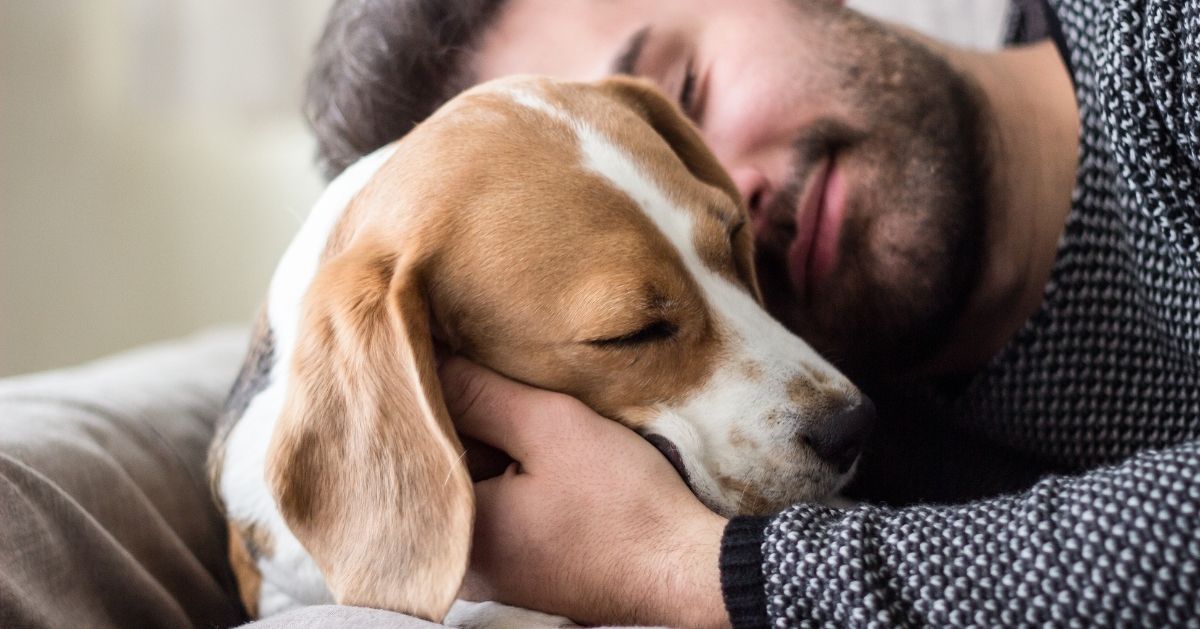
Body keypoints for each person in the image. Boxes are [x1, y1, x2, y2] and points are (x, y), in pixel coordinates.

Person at [304, 0, 1200, 626]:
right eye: (629, 317)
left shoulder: (1165, 38)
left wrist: (702, 574)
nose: (723, 186)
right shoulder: (834, 434)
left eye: (682, 89)